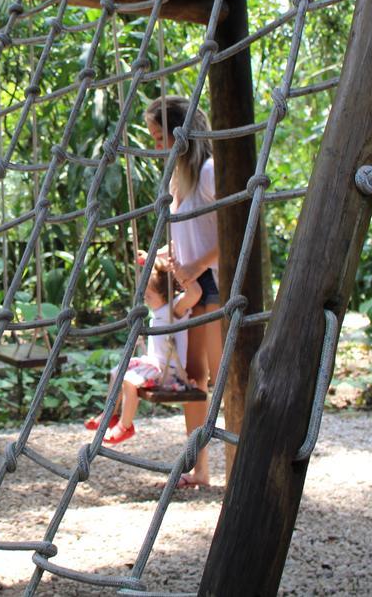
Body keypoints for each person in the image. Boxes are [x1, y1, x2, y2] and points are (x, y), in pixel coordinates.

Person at [144, 96, 222, 488]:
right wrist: (163, 256)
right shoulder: (179, 178)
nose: (156, 146)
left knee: (226, 376)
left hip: (215, 283)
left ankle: (240, 464)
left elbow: (236, 229)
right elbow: (189, 233)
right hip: (190, 280)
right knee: (195, 380)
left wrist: (198, 264)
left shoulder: (209, 171)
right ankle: (200, 469)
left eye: (160, 137)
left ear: (180, 134)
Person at [85, 260, 202, 445]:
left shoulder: (175, 309)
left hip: (168, 371)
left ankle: (125, 426)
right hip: (153, 363)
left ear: (165, 294)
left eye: (149, 295)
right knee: (117, 372)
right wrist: (148, 262)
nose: (145, 298)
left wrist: (181, 273)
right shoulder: (157, 310)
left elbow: (195, 294)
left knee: (130, 382)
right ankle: (110, 415)